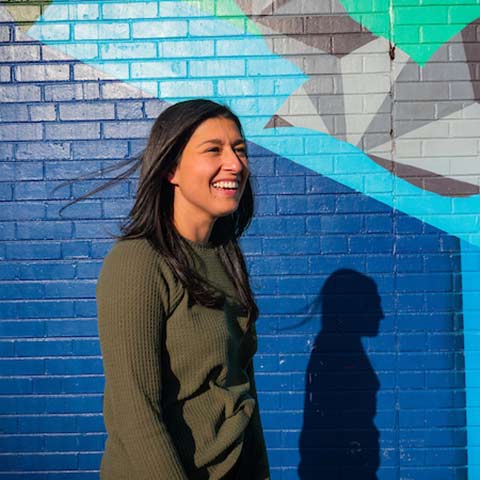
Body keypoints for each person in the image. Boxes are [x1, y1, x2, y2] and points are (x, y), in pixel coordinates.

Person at [95, 99, 270, 479]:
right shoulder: (138, 261)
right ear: (171, 168)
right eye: (214, 150)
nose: (236, 164)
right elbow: (134, 410)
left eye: (239, 150)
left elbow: (242, 393)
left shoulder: (225, 258)